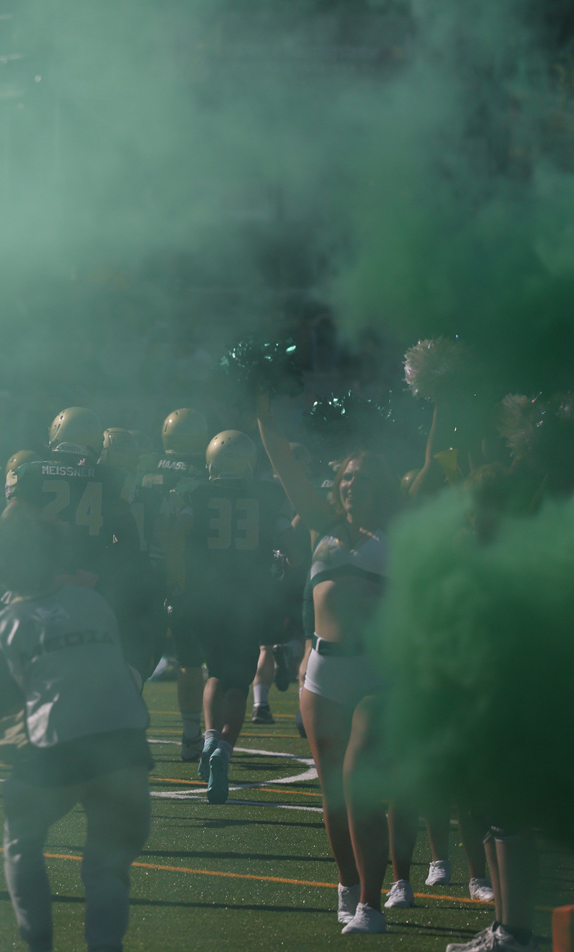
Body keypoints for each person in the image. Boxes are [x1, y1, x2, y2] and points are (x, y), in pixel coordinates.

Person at [0, 499, 152, 952]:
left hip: (60, 751)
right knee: (107, 867)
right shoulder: (93, 602)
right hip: (126, 747)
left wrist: (6, 746)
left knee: (21, 837)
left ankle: (39, 944)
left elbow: (10, 732)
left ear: (1, 564)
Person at [258, 394, 403, 935]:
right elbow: (283, 464)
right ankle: (347, 884)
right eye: (346, 477)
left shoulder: (398, 532)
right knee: (334, 796)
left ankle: (371, 905)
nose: (350, 485)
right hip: (322, 672)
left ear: (380, 486)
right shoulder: (322, 524)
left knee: (360, 787)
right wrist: (261, 407)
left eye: (361, 478)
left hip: (376, 673)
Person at [162, 430, 289, 804]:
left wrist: (177, 578)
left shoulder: (195, 492)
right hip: (248, 599)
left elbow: (177, 534)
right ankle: (224, 750)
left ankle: (208, 739)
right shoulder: (266, 495)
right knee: (238, 685)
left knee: (214, 672)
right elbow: (290, 540)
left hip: (206, 597)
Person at [4, 408, 153, 678]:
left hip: (42, 583)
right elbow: (128, 539)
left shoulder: (30, 472)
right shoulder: (112, 477)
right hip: (90, 584)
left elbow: (8, 524)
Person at [133, 408, 211, 760]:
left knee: (136, 655)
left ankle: (122, 725)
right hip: (187, 571)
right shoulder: (201, 470)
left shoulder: (145, 463)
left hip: (143, 569)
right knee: (189, 659)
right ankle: (191, 735)